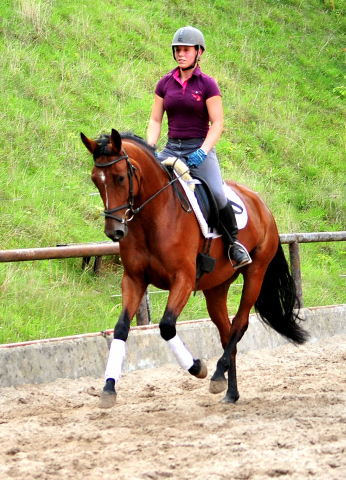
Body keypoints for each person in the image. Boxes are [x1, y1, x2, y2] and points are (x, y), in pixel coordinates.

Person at [146, 26, 251, 268]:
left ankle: (234, 244)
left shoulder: (208, 85)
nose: (181, 54)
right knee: (150, 187)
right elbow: (155, 120)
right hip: (172, 149)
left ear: (198, 52)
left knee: (216, 192)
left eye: (186, 50)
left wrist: (203, 151)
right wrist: (151, 147)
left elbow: (218, 123)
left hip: (200, 150)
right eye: (177, 50)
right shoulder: (164, 84)